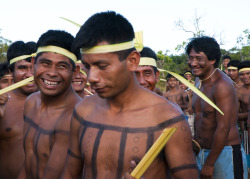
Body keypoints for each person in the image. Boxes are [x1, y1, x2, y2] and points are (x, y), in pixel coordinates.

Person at [61, 11, 198, 179]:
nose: (91, 78)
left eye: (102, 66)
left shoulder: (168, 120)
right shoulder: (83, 111)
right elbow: (69, 173)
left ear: (132, 61)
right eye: (87, 67)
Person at [21, 30, 81, 178]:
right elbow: (27, 162)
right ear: (34, 63)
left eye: (62, 66)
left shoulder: (75, 116)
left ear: (75, 71)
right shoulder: (31, 102)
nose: (52, 73)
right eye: (46, 64)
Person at [186, 36, 247, 178]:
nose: (193, 63)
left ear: (212, 59)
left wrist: (210, 163)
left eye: (198, 58)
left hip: (225, 153)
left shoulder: (222, 85)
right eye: (191, 58)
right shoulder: (198, 81)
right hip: (202, 152)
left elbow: (223, 127)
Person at [0, 41, 37, 179]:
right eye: (23, 68)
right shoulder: (2, 102)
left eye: (34, 67)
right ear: (11, 71)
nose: (29, 74)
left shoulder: (57, 103)